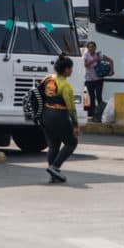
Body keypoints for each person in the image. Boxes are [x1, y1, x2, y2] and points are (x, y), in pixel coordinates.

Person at [40, 54, 79, 183]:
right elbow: (71, 108)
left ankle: (53, 175)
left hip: (45, 115)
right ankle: (55, 167)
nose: (72, 71)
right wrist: (75, 125)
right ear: (66, 69)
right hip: (59, 116)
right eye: (71, 68)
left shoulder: (46, 79)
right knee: (71, 143)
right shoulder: (66, 86)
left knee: (53, 146)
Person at [83, 41, 113, 120]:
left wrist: (111, 71)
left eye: (92, 46)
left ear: (95, 47)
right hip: (89, 80)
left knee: (99, 96)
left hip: (99, 79)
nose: (91, 48)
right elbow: (85, 65)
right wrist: (95, 60)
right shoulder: (86, 55)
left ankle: (99, 115)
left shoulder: (99, 54)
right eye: (89, 47)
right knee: (92, 97)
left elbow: (110, 60)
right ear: (87, 48)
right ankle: (92, 115)